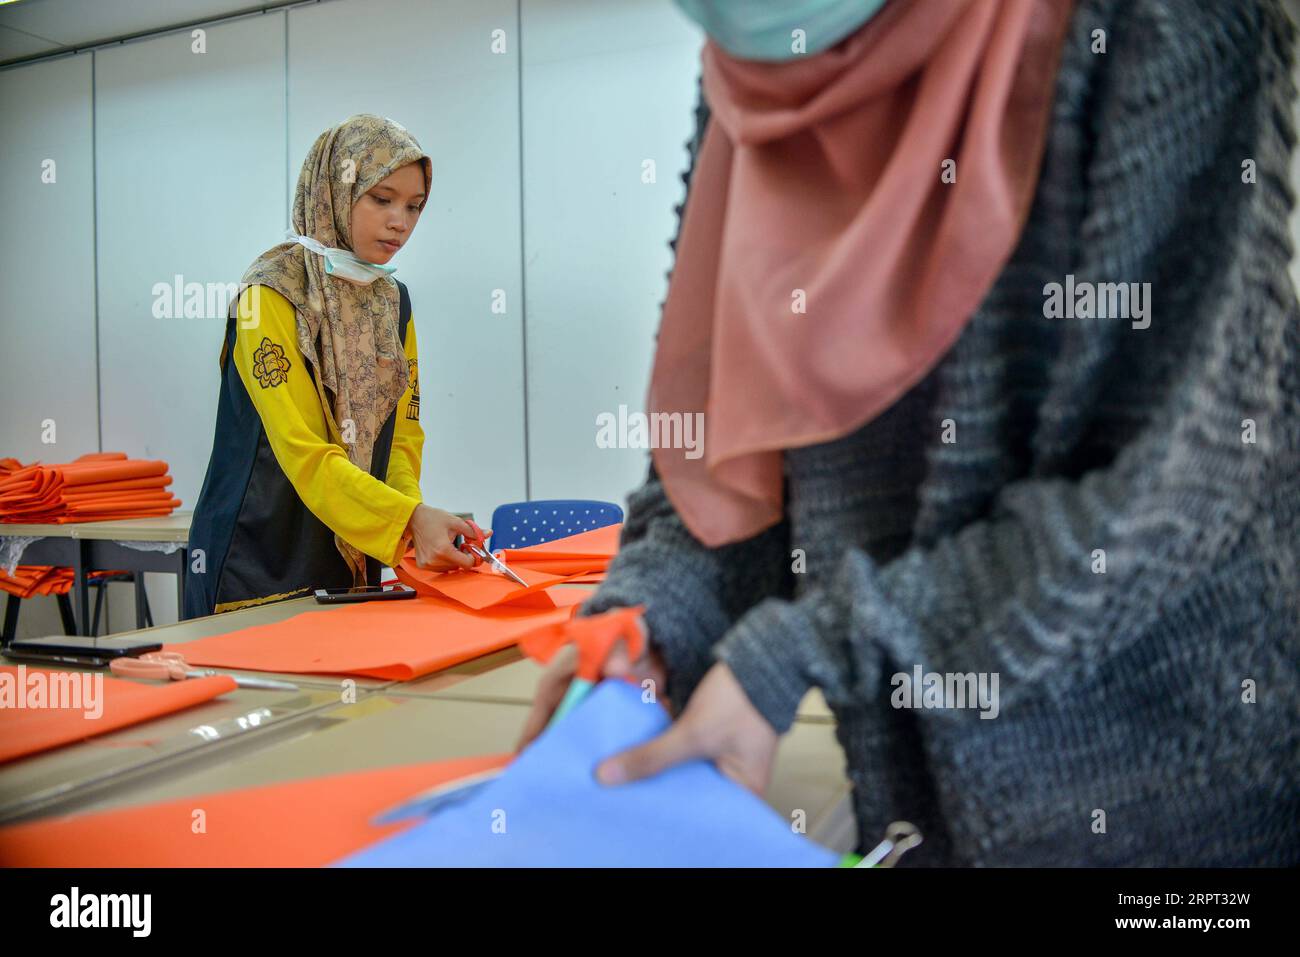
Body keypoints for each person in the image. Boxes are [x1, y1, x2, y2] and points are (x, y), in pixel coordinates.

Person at [522, 0, 1300, 865]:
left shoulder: (1165, 26)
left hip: (1176, 802)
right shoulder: (759, 81)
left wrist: (809, 648)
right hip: (910, 796)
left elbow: (1170, 491)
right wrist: (646, 625)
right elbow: (724, 464)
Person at [186, 114, 483, 618]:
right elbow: (303, 451)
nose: (401, 222)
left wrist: (410, 513)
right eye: (382, 199)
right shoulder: (269, 295)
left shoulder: (392, 301)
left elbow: (401, 436)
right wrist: (408, 521)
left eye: (414, 206)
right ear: (334, 191)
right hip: (257, 555)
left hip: (352, 553)